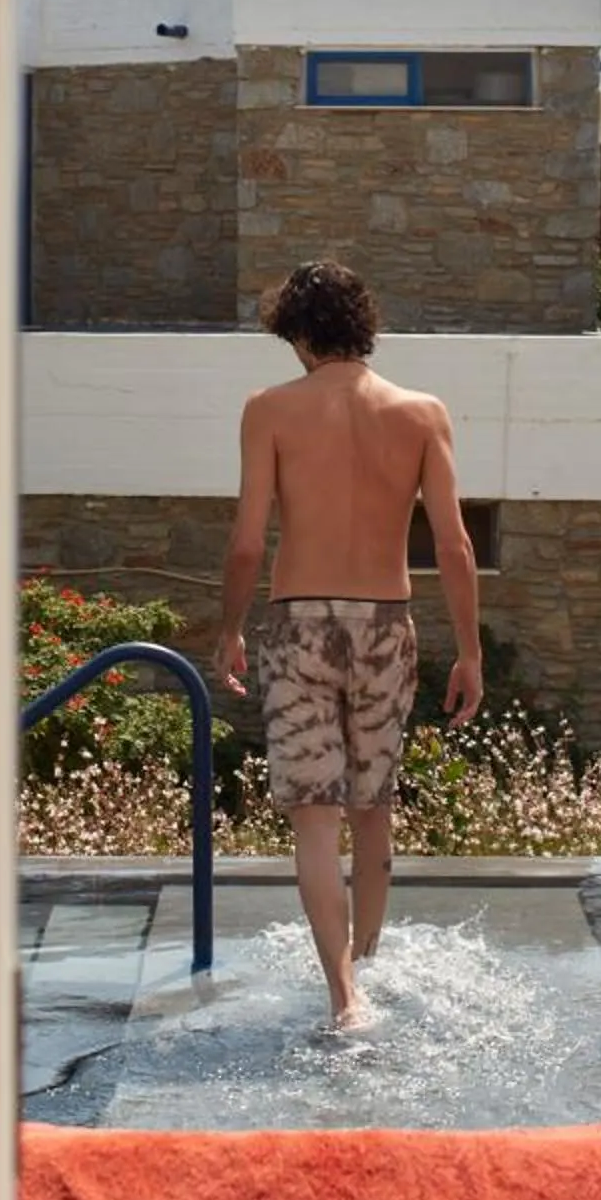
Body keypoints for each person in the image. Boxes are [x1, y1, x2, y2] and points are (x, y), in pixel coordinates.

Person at [215, 260, 483, 1030]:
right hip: (386, 626)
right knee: (373, 811)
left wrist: (229, 628)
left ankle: (343, 999)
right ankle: (366, 966)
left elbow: (245, 543)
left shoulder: (269, 410)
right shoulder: (423, 413)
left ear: (300, 334)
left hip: (299, 625)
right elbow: (457, 546)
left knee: (315, 818)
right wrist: (469, 652)